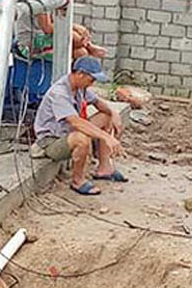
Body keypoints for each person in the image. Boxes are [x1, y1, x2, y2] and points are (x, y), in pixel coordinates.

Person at [33, 56, 128, 196]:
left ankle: (105, 168)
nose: (92, 83)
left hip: (67, 133)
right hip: (51, 141)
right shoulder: (59, 93)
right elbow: (75, 122)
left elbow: (97, 102)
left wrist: (113, 113)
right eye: (91, 79)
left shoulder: (78, 87)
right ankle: (78, 181)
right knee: (81, 138)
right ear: (80, 74)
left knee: (105, 117)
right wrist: (107, 137)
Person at [22, 0, 106, 61]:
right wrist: (73, 31)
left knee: (81, 52)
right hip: (30, 42)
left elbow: (54, 22)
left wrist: (78, 28)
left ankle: (88, 48)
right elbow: (48, 28)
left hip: (41, 36)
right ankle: (90, 48)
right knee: (78, 43)